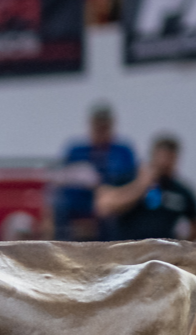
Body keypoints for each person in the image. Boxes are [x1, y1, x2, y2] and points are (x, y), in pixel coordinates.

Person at [94, 133, 196, 244]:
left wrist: (179, 246)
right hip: (127, 252)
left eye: (170, 158)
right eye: (162, 157)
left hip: (162, 255)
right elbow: (104, 207)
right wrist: (141, 186)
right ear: (153, 156)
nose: (165, 163)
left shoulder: (181, 192)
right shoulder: (128, 179)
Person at [57, 103, 137, 241]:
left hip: (114, 213)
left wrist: (106, 192)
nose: (101, 130)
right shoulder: (76, 151)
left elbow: (130, 183)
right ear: (91, 124)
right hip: (75, 211)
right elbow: (60, 179)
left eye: (104, 125)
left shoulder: (123, 152)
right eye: (98, 125)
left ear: (111, 125)